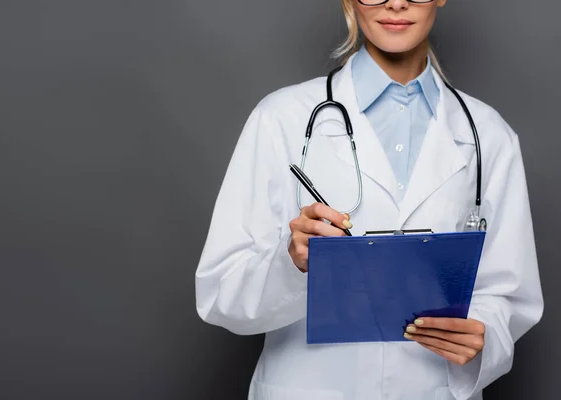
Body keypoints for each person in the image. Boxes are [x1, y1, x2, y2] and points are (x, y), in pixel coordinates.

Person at [195, 0, 543, 398]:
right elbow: (219, 291)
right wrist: (291, 264)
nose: (396, 2)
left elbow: (509, 291)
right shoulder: (280, 119)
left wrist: (483, 330)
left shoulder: (488, 134)